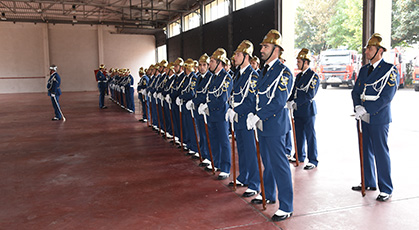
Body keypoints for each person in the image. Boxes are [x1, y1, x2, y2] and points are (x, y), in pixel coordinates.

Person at [246, 29, 294, 221]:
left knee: (279, 164)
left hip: (274, 125)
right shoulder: (265, 71)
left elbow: (279, 101)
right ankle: (269, 194)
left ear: (276, 49)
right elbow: (258, 96)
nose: (262, 49)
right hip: (262, 124)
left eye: (265, 46)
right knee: (268, 163)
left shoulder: (284, 73)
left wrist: (258, 115)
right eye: (262, 46)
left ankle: (287, 205)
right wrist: (252, 112)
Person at [351, 33, 399, 202]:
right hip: (363, 115)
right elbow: (356, 91)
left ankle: (386, 188)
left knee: (380, 152)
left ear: (380, 51)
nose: (367, 52)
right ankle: (368, 182)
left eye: (370, 49)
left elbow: (387, 97)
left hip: (379, 117)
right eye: (367, 49)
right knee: (365, 150)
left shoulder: (389, 70)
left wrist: (367, 109)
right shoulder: (364, 70)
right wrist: (357, 106)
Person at [226, 40, 260, 197]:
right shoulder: (238, 74)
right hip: (238, 117)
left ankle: (254, 183)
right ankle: (244, 176)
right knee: (241, 149)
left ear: (246, 56)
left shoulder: (253, 76)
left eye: (238, 54)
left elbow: (251, 100)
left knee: (250, 151)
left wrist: (235, 110)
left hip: (247, 118)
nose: (235, 57)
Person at [198, 48, 233, 180]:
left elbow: (223, 98)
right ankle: (217, 162)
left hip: (221, 114)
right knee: (213, 140)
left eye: (212, 61)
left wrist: (208, 105)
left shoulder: (226, 77)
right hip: (211, 114)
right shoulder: (213, 78)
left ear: (219, 63)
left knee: (223, 141)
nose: (210, 64)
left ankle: (225, 167)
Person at [287, 48, 320, 170]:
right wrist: (289, 101)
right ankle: (299, 156)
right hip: (297, 110)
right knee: (298, 134)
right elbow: (294, 91)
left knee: (310, 135)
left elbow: (310, 94)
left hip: (308, 110)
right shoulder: (299, 76)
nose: (297, 63)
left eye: (299, 61)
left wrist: (296, 102)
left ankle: (313, 160)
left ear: (306, 62)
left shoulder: (313, 76)